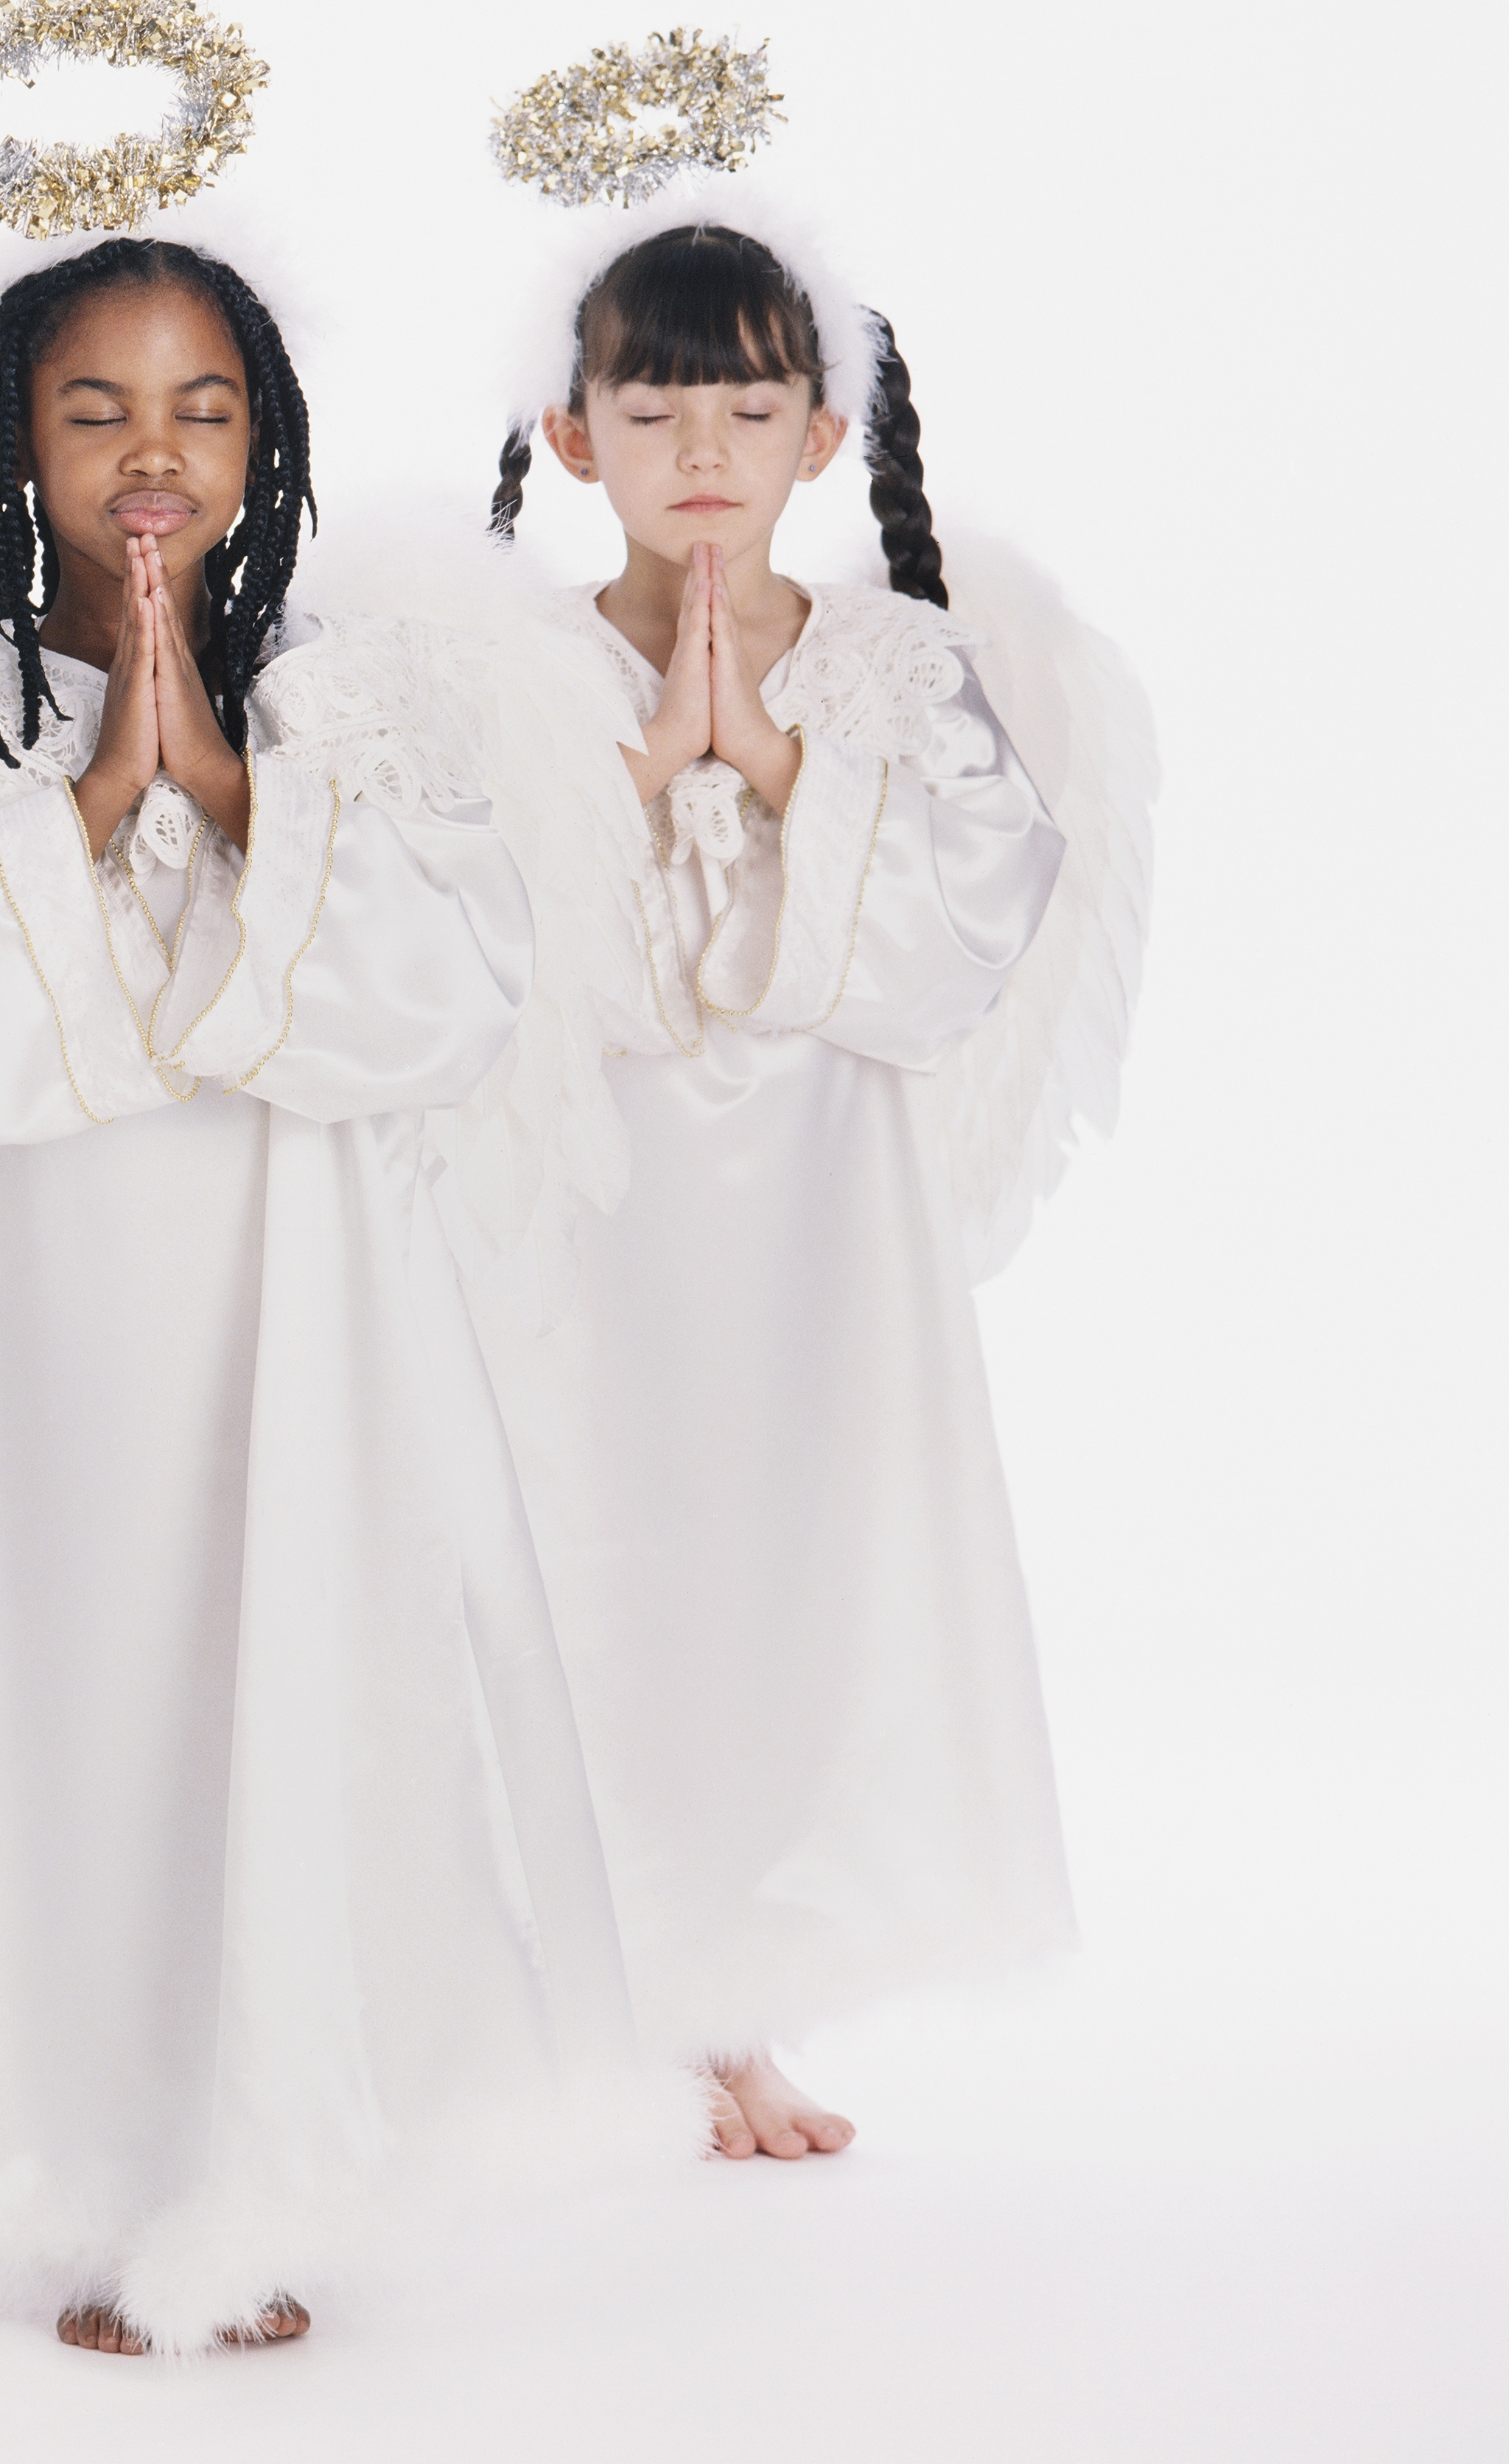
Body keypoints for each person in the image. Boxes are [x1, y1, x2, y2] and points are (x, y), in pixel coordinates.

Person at [0, 233, 637, 2353]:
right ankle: (70, 2172)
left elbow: (443, 1006)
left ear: (265, 436)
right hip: (24, 1318)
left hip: (288, 1294)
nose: (153, 456)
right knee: (60, 1704)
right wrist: (93, 803)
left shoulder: (359, 691)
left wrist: (225, 788)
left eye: (201, 409)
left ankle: (269, 2159)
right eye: (95, 409)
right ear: (12, 439)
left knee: (279, 1679)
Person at [479, 201, 1149, 2158]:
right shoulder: (509, 672)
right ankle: (543, 2001)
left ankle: (726, 2009)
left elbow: (972, 933)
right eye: (656, 405)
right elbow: (443, 947)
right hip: (576, 1214)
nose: (703, 453)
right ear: (572, 433)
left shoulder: (891, 671)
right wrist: (629, 773)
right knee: (563, 1560)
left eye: (749, 409)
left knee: (766, 1585)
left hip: (804, 1229)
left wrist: (770, 764)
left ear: (822, 442)